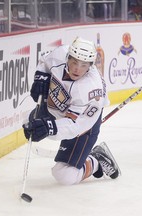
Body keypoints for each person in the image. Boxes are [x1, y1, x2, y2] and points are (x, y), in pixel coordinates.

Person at [22, 37, 120, 185]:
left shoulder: (90, 89)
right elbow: (44, 62)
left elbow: (74, 125)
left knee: (64, 175)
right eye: (74, 62)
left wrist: (49, 128)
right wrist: (40, 77)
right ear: (68, 57)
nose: (77, 69)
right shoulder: (59, 53)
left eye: (83, 65)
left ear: (90, 66)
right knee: (29, 122)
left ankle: (96, 160)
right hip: (57, 107)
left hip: (83, 123)